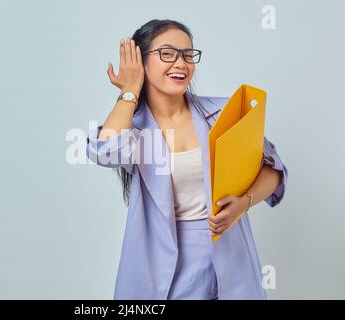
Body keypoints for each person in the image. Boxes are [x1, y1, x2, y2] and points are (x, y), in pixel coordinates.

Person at [86, 19, 288, 300]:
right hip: (163, 268)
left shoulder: (223, 113)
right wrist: (129, 92)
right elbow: (103, 152)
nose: (181, 63)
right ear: (141, 62)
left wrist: (245, 202)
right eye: (167, 54)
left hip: (231, 257)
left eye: (188, 54)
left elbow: (273, 169)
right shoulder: (135, 128)